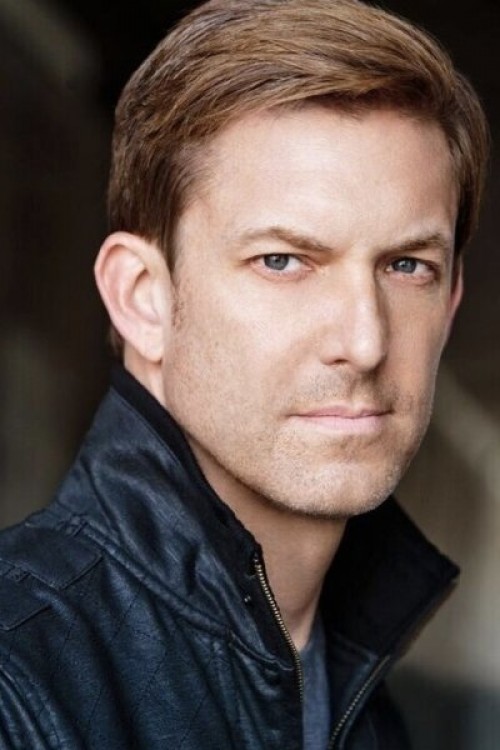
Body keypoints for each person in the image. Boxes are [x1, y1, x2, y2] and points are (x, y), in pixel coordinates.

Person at [0, 0, 489, 748]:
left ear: (450, 305)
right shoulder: (18, 684)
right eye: (282, 261)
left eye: (406, 266)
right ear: (143, 297)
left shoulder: (361, 708)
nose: (364, 342)